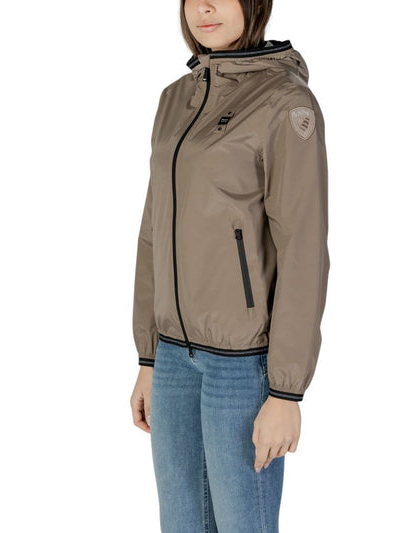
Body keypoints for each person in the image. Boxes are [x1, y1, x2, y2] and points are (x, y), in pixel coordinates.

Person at [130, 0, 330, 531]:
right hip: (173, 360)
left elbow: (304, 249)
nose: (204, 7)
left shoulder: (285, 103)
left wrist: (285, 390)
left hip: (242, 367)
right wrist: (149, 358)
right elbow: (153, 231)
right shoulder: (175, 99)